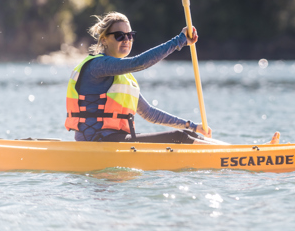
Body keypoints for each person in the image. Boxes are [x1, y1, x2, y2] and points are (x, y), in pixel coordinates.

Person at [65, 11, 214, 144]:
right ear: (104, 40)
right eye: (119, 36)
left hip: (116, 141)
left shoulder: (124, 78)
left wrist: (192, 126)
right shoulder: (97, 65)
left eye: (130, 35)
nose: (126, 40)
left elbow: (149, 113)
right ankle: (228, 160)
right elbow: (139, 62)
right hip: (96, 142)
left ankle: (229, 153)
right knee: (180, 138)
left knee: (187, 134)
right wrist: (179, 40)